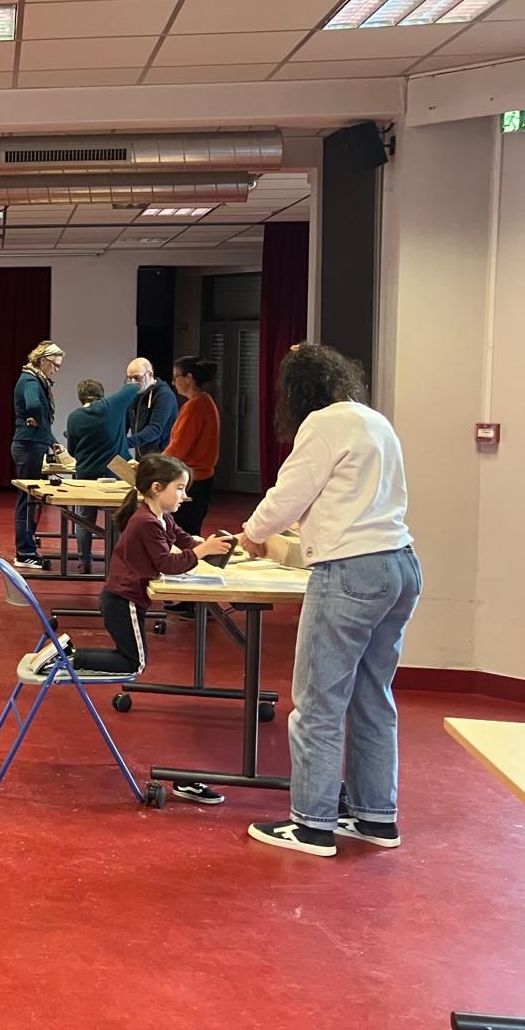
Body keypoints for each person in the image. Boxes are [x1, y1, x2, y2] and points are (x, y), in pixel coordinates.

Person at [238, 344, 421, 858]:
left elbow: (287, 496)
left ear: (299, 391)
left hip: (349, 570)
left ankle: (312, 825)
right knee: (372, 697)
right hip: (401, 564)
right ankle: (375, 817)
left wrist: (252, 534)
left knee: (317, 703)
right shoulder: (375, 421)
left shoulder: (322, 424)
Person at [25, 452, 232, 803]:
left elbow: (182, 539)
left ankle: (67, 653)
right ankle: (68, 656)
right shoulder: (146, 522)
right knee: (134, 664)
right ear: (157, 488)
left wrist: (205, 544)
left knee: (131, 660)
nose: (184, 496)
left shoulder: (159, 516)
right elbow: (168, 563)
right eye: (180, 488)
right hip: (124, 601)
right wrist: (203, 551)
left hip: (122, 598)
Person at [63, 376, 138, 571]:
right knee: (116, 519)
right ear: (102, 394)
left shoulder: (74, 417)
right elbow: (132, 389)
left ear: (80, 397)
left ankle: (84, 562)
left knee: (83, 520)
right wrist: (134, 378)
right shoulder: (111, 407)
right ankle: (114, 564)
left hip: (86, 473)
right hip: (114, 473)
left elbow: (72, 451)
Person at [11, 340, 64, 571]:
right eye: (55, 364)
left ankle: (28, 546)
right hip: (28, 446)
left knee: (32, 499)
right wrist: (38, 419)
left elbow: (40, 419)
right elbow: (33, 405)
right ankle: (24, 553)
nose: (57, 369)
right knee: (28, 499)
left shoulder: (34, 378)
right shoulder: (31, 381)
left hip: (33, 444)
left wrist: (52, 442)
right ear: (43, 360)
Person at [163, 355, 221, 537]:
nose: (174, 382)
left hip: (192, 481)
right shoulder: (205, 401)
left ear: (188, 378)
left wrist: (152, 465)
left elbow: (178, 449)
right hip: (200, 479)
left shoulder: (195, 406)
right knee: (189, 533)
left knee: (182, 535)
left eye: (176, 377)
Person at [125, 357, 179, 459]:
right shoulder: (135, 394)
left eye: (137, 378)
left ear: (149, 374)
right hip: (143, 458)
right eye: (129, 378)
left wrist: (125, 443)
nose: (132, 382)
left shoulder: (164, 395)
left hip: (162, 460)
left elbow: (154, 429)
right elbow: (125, 423)